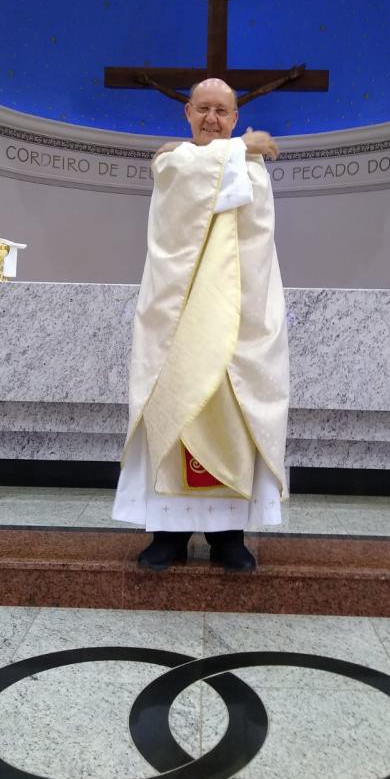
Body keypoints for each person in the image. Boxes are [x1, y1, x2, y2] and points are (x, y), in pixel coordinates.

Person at [112, 78, 289, 572]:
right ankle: (167, 533)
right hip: (178, 320)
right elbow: (188, 186)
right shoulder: (173, 164)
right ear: (187, 112)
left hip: (233, 320)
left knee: (229, 416)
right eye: (203, 109)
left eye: (222, 112)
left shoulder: (251, 170)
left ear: (235, 118)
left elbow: (246, 229)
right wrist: (241, 147)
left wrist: (238, 153)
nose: (212, 119)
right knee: (174, 411)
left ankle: (228, 536)